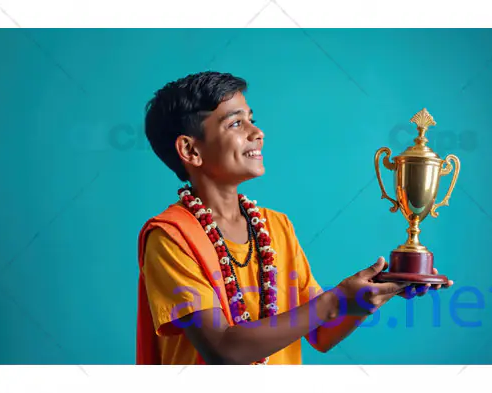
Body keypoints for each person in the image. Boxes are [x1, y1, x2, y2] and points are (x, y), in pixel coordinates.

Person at [136, 71, 453, 365]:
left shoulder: (275, 227)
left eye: (252, 120)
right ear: (190, 150)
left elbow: (322, 332)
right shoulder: (170, 236)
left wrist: (375, 292)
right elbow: (223, 349)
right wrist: (336, 299)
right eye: (235, 124)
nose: (257, 133)